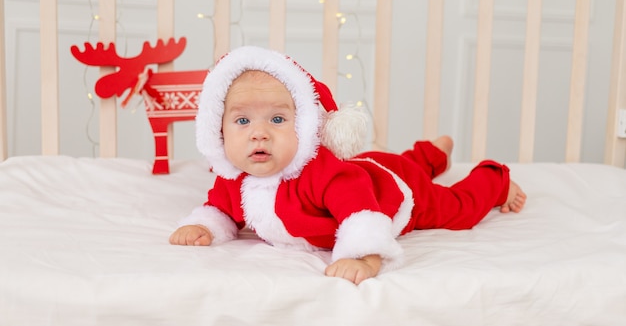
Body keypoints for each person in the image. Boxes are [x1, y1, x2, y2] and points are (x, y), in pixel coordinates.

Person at [170, 46, 526, 285]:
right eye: (243, 122)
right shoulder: (235, 177)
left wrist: (364, 257)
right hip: (371, 163)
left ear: (308, 125)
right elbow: (219, 207)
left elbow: (361, 214)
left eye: (277, 120)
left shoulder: (326, 176)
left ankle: (494, 180)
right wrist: (206, 226)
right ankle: (432, 152)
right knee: (403, 161)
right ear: (218, 129)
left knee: (454, 208)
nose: (259, 135)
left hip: (395, 192)